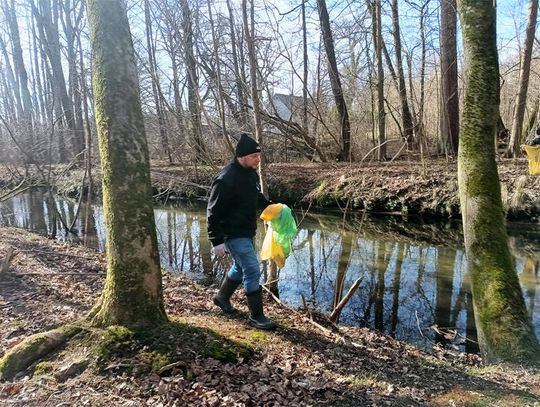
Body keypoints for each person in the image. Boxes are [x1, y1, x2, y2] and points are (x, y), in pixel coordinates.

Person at [207, 133, 276, 330]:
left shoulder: (251, 174)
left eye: (259, 156)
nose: (258, 160)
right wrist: (216, 240)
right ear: (242, 156)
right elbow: (213, 212)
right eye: (254, 156)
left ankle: (222, 297)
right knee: (252, 269)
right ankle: (256, 316)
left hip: (248, 231)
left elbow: (255, 196)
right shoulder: (225, 179)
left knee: (240, 266)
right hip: (232, 233)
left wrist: (272, 207)